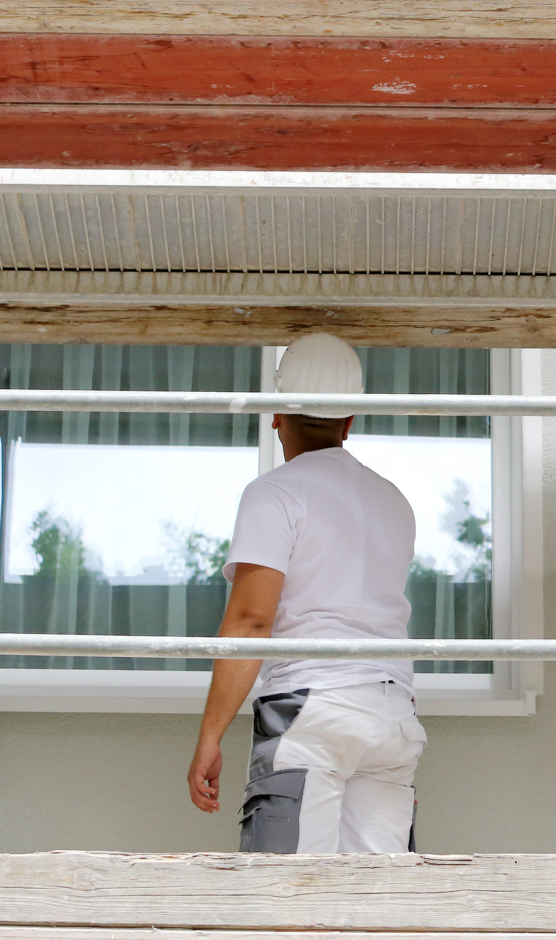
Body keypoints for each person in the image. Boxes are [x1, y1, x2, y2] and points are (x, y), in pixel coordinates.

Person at [186, 332, 424, 854]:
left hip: (313, 713)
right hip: (392, 715)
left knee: (286, 906)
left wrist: (210, 736)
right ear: (349, 421)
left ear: (277, 415)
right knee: (380, 913)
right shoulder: (394, 501)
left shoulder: (275, 493)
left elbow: (251, 620)